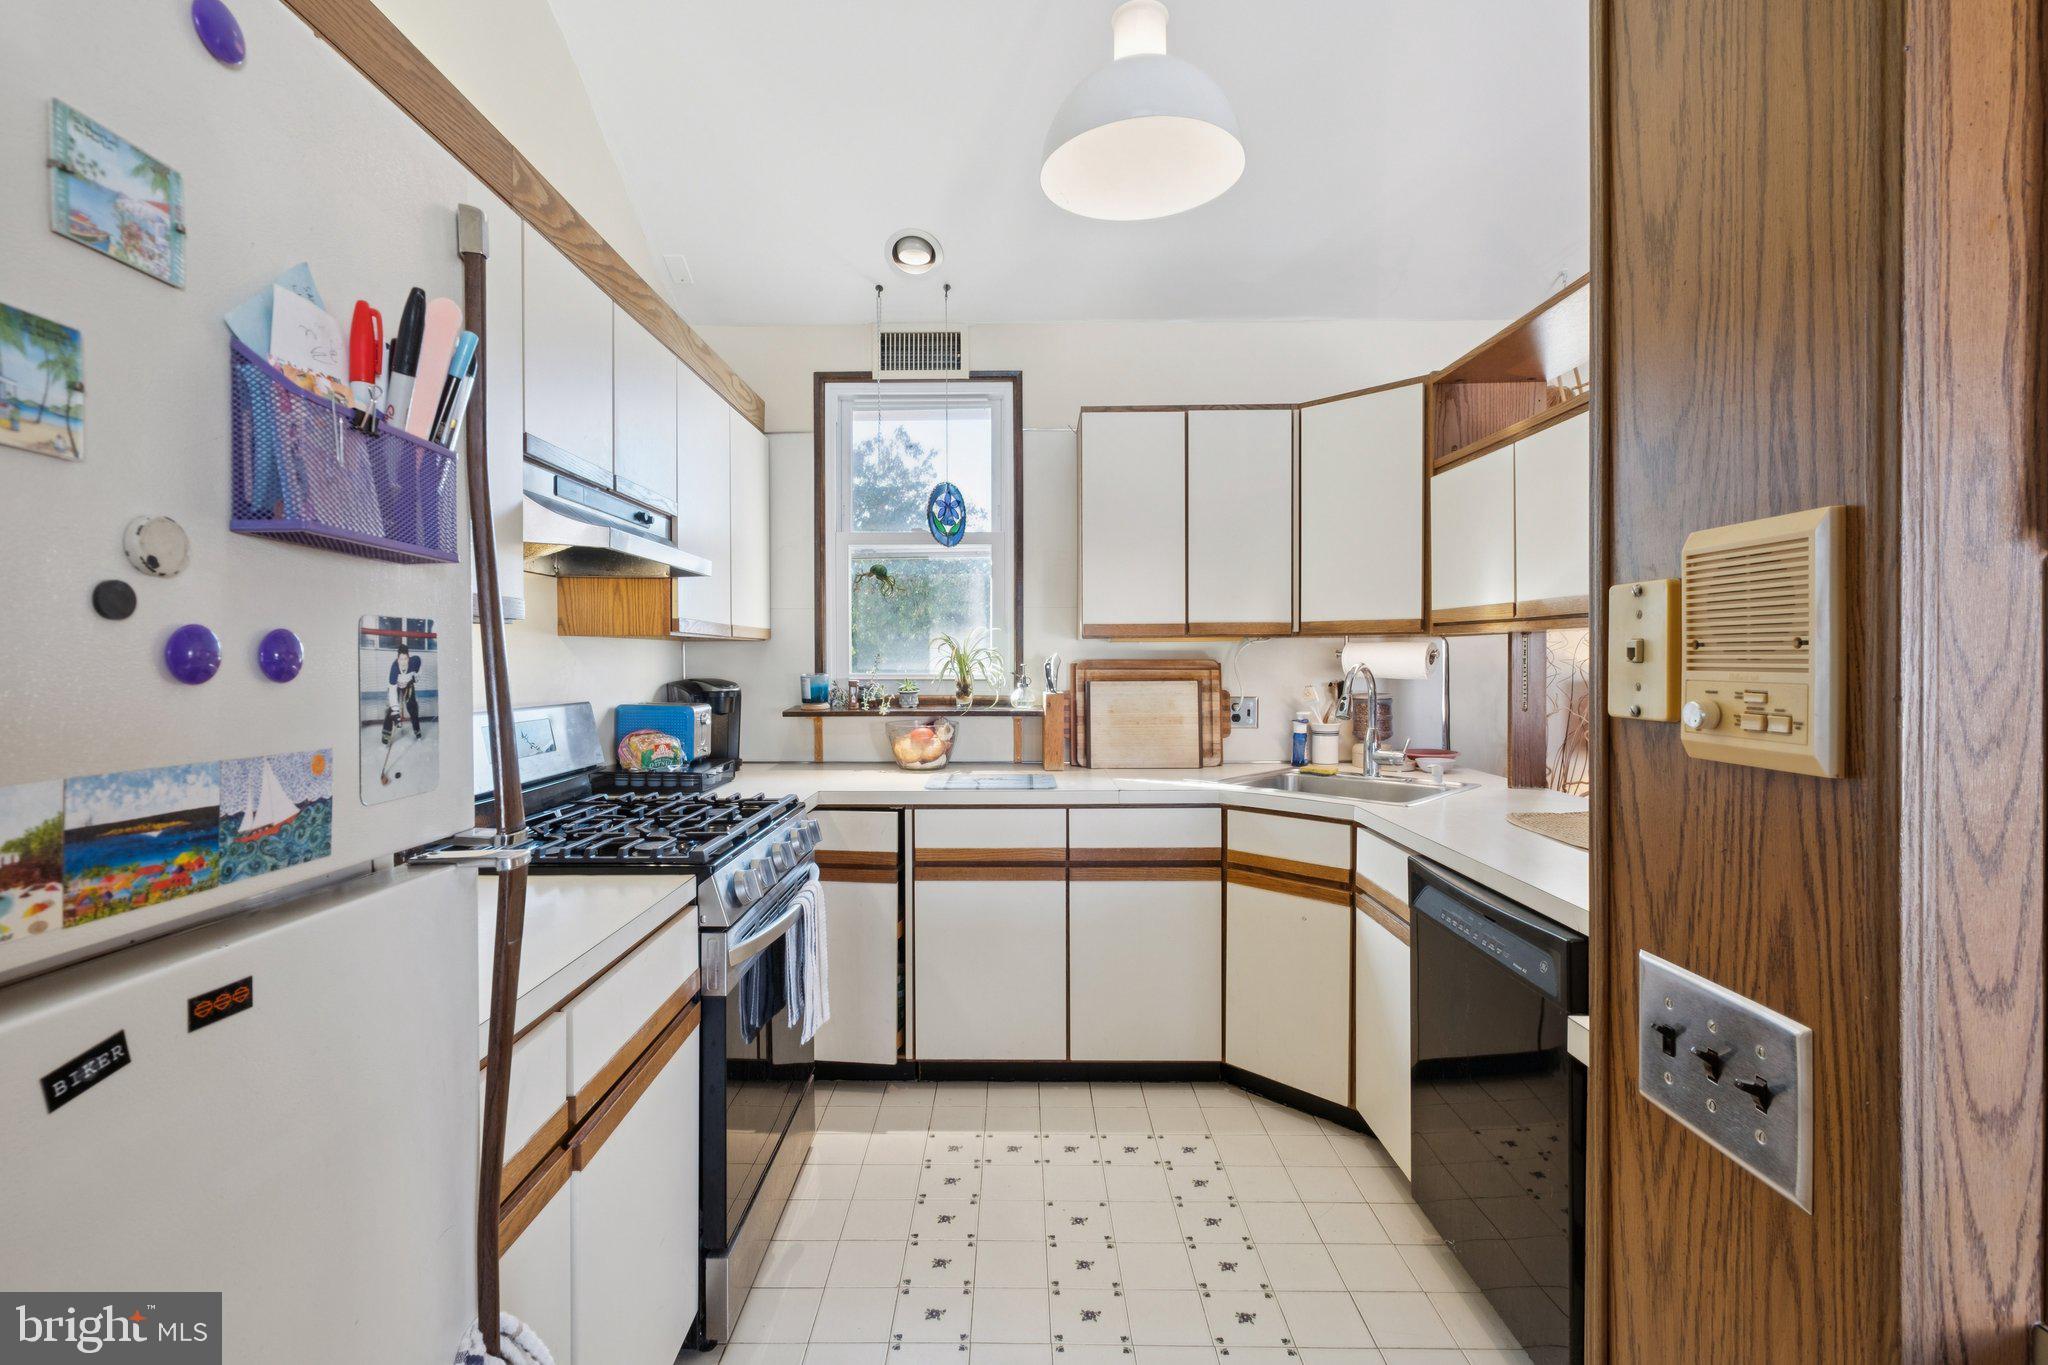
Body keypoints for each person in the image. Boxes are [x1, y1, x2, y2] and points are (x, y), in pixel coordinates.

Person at [382, 640, 424, 744]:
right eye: (401, 659)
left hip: (408, 686)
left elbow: (419, 669)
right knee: (391, 710)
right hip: (396, 687)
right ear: (398, 659)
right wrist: (396, 713)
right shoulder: (394, 668)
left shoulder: (415, 661)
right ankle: (386, 735)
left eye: (405, 659)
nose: (403, 662)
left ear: (408, 658)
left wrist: (416, 678)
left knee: (413, 708)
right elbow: (392, 690)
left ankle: (417, 731)